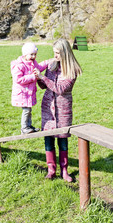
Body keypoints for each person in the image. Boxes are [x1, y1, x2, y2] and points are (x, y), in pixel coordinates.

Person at [34, 38, 82, 182]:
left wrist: (43, 77)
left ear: (65, 53)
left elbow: (60, 89)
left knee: (62, 141)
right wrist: (38, 78)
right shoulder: (51, 65)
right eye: (54, 52)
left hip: (63, 110)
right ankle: (51, 169)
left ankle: (64, 170)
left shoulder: (72, 70)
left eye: (57, 53)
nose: (54, 56)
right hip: (48, 108)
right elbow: (44, 86)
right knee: (48, 140)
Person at [11, 42, 48, 134]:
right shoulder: (19, 65)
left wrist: (47, 63)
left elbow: (39, 67)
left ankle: (29, 126)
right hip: (22, 93)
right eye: (31, 54)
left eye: (35, 54)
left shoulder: (32, 63)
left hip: (28, 93)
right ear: (25, 54)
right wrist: (32, 77)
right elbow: (18, 79)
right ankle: (24, 128)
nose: (33, 56)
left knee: (29, 110)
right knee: (26, 110)